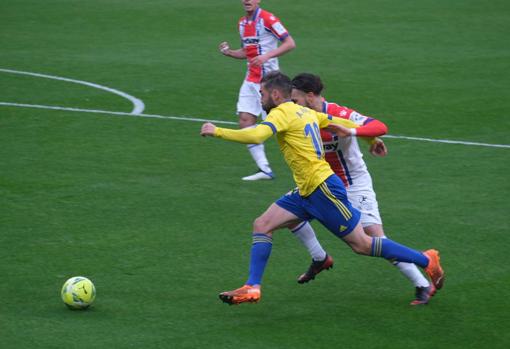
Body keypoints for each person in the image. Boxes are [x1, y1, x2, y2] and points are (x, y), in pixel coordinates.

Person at [200, 72, 444, 305]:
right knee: (262, 224)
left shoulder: (280, 113)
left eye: (262, 93)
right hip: (307, 190)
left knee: (363, 244)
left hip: (323, 188)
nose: (260, 98)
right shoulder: (306, 112)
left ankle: (426, 259)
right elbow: (340, 124)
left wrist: (217, 131)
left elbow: (256, 136)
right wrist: (371, 139)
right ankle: (253, 286)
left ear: (275, 95)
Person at [289, 73, 435, 305]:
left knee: (374, 238)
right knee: (287, 216)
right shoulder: (298, 114)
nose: (292, 102)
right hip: (320, 184)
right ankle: (320, 257)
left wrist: (358, 134)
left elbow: (379, 126)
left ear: (309, 96)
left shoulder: (338, 113)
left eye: (295, 98)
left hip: (352, 185)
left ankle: (423, 283)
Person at [219, 0, 296, 181]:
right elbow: (247, 52)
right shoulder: (242, 23)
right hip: (250, 80)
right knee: (245, 120)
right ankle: (264, 169)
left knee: (282, 125)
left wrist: (266, 56)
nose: (247, 1)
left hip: (270, 81)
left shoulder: (268, 19)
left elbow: (290, 43)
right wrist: (229, 52)